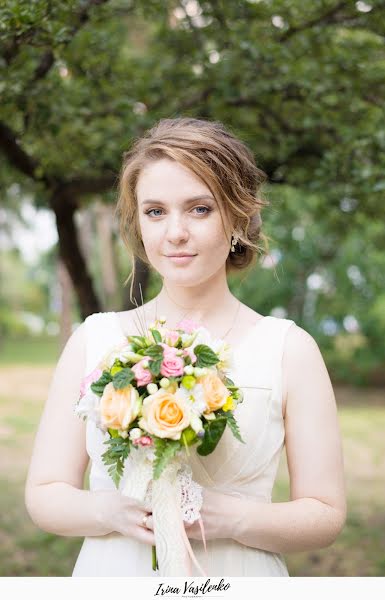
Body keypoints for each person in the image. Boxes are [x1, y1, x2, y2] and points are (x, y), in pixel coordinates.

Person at [24, 117, 346, 577]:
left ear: (236, 216)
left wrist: (232, 519)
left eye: (199, 209)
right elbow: (44, 493)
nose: (175, 232)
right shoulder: (93, 340)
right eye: (155, 211)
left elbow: (326, 514)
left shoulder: (289, 350)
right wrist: (112, 512)